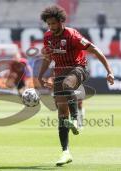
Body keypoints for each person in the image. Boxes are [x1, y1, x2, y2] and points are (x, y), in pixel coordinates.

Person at [38, 5, 114, 166]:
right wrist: (39, 75)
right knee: (61, 115)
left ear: (61, 21)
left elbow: (95, 50)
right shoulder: (48, 37)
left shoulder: (72, 35)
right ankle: (65, 152)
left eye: (53, 23)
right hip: (58, 72)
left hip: (78, 68)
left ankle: (76, 118)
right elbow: (47, 58)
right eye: (48, 24)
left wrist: (109, 71)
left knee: (67, 85)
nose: (51, 27)